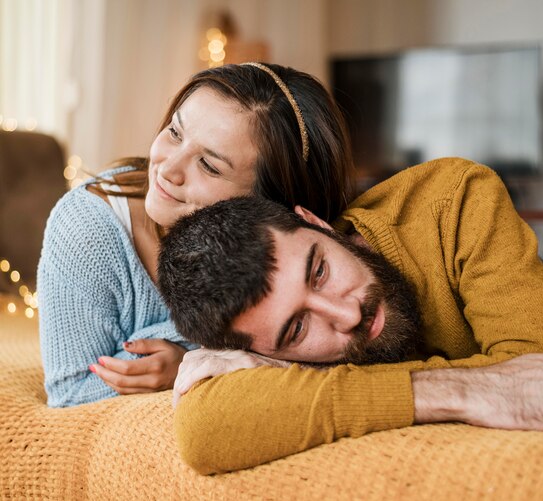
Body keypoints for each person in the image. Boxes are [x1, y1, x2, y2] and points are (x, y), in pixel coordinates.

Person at [158, 157, 543, 474]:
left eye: (319, 271)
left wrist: (303, 382)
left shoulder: (455, 198)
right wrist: (462, 390)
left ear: (315, 221)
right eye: (297, 329)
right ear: (260, 352)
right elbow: (203, 430)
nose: (348, 313)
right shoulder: (247, 332)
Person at [37, 62, 355, 407]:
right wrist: (193, 355)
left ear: (265, 206)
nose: (168, 169)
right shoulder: (85, 227)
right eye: (175, 133)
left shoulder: (303, 255)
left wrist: (185, 357)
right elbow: (70, 395)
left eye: (209, 165)